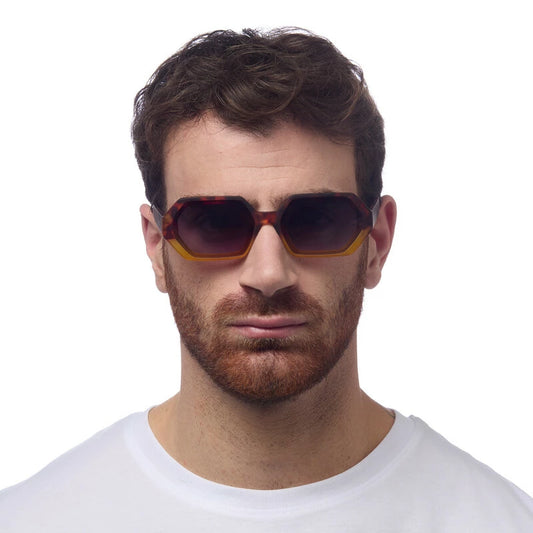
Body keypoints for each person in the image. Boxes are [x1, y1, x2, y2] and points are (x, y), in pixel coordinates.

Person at [1, 28, 532, 532]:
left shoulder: (499, 522)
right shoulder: (33, 520)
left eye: (318, 220)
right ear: (157, 247)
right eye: (213, 224)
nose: (268, 274)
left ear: (377, 241)